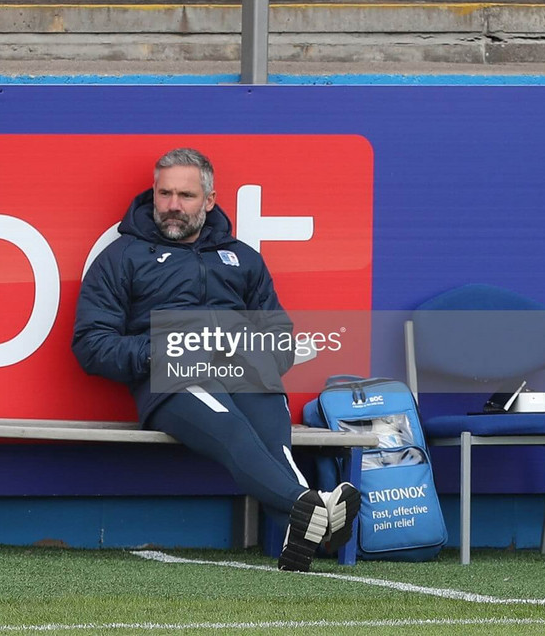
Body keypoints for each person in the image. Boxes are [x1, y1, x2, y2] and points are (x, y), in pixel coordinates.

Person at [71, 147, 359, 571]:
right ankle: (315, 513)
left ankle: (303, 524)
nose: (171, 206)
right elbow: (91, 343)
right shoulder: (122, 257)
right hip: (171, 376)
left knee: (276, 445)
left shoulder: (242, 257)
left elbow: (279, 334)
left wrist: (256, 352)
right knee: (233, 431)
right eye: (163, 194)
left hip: (243, 369)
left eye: (185, 196)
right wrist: (158, 350)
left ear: (208, 200)